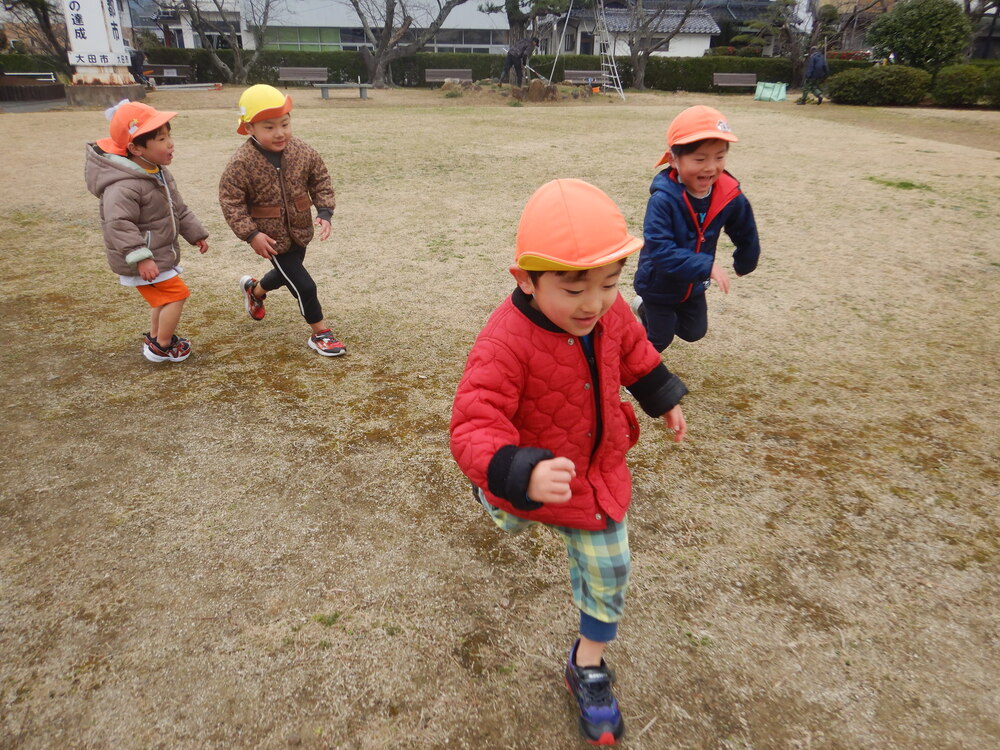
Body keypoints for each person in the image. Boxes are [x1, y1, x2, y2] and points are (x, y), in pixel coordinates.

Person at [451, 179, 688, 746]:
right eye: (574, 287)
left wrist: (662, 397)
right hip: (530, 470)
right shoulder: (504, 341)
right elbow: (474, 421)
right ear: (526, 280)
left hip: (595, 476)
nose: (594, 303)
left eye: (609, 284)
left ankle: (587, 665)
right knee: (511, 512)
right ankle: (495, 493)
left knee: (611, 572)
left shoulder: (609, 315)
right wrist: (516, 471)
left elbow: (634, 351)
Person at [219, 84, 346, 357]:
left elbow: (320, 179)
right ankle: (320, 332)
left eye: (285, 124)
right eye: (269, 127)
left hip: (300, 230)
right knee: (304, 284)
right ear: (249, 128)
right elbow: (231, 201)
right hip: (270, 237)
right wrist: (252, 234)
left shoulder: (302, 150)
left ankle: (255, 291)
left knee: (288, 273)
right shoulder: (241, 162)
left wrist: (324, 212)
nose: (280, 133)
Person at [85, 100, 209, 363]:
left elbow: (178, 208)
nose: (170, 143)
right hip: (143, 259)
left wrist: (195, 233)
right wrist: (141, 257)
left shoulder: (158, 173)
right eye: (162, 138)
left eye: (169, 135)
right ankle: (162, 346)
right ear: (135, 148)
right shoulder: (123, 185)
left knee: (163, 299)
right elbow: (118, 224)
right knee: (177, 295)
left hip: (158, 254)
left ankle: (156, 338)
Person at [632, 105, 760, 351]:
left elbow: (745, 229)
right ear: (673, 159)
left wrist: (746, 261)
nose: (711, 167)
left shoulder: (727, 194)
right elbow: (660, 251)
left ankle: (642, 309)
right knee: (660, 338)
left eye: (719, 157)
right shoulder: (663, 199)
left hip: (693, 285)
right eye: (700, 159)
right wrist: (706, 265)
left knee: (694, 332)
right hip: (658, 284)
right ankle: (635, 374)